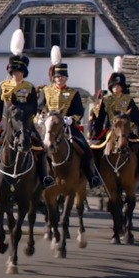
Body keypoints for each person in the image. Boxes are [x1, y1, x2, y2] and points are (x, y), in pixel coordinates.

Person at [0, 30, 55, 190]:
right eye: (15, 71)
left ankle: (43, 176)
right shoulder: (3, 85)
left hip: (25, 122)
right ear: (11, 71)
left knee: (40, 148)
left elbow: (33, 106)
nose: (17, 74)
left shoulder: (29, 87)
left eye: (20, 71)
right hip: (6, 121)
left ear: (23, 72)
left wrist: (28, 116)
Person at [38, 52, 102, 188]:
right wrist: (39, 118)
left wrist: (71, 119)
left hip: (67, 126)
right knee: (32, 148)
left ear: (66, 78)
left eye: (62, 77)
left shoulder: (73, 93)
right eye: (57, 77)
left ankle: (92, 177)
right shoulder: (46, 91)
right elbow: (39, 107)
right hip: (48, 127)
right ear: (54, 78)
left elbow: (79, 111)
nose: (59, 79)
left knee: (86, 149)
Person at [91, 59, 139, 184]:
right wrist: (96, 132)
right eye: (114, 86)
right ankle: (95, 174)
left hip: (126, 130)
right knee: (94, 148)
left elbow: (136, 116)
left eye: (118, 86)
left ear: (122, 87)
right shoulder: (106, 100)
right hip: (110, 130)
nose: (116, 88)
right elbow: (100, 118)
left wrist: (132, 126)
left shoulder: (128, 100)